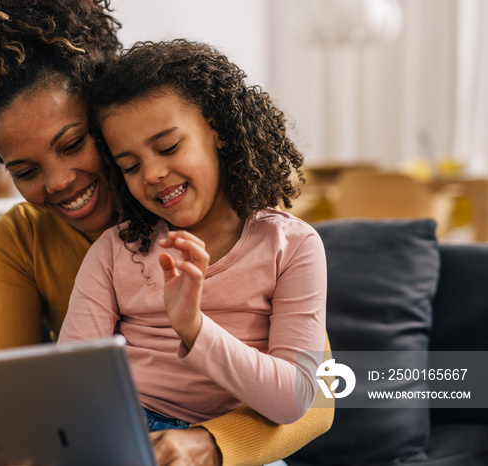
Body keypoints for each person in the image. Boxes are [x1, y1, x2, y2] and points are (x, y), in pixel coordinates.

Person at [0, 1, 334, 465]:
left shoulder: (275, 241)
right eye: (25, 171)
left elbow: (317, 399)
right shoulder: (31, 240)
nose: (59, 182)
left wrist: (209, 444)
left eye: (72, 144)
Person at [58, 38, 327, 448]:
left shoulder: (291, 247)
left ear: (217, 131)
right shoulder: (117, 251)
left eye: (168, 147)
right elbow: (72, 379)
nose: (151, 174)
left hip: (234, 444)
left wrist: (195, 328)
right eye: (129, 166)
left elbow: (295, 399)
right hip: (130, 432)